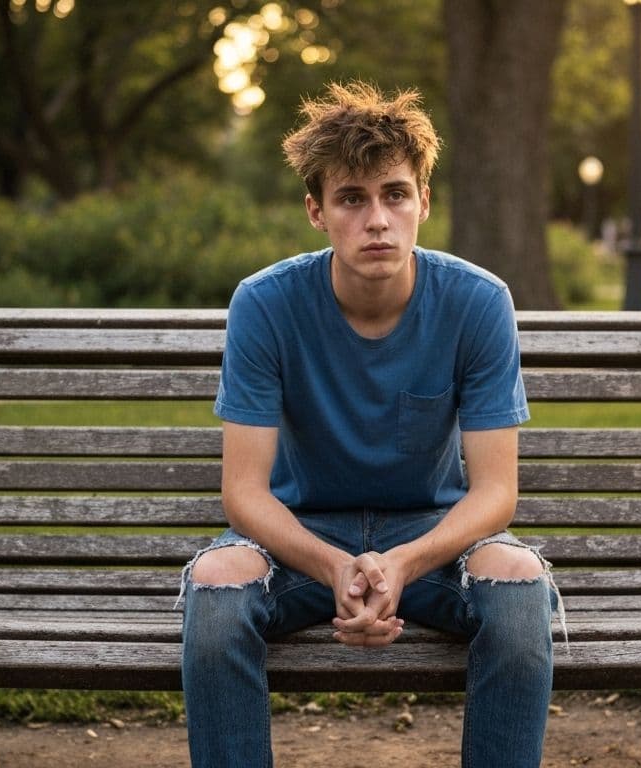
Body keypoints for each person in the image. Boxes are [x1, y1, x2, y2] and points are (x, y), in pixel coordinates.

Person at [179, 81, 557, 768]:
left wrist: (403, 563)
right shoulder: (265, 305)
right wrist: (334, 566)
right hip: (301, 539)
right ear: (316, 212)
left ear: (424, 203)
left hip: (430, 540)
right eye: (352, 199)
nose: (377, 219)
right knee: (216, 586)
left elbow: (497, 492)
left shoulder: (478, 302)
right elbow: (244, 493)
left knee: (519, 579)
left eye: (394, 194)